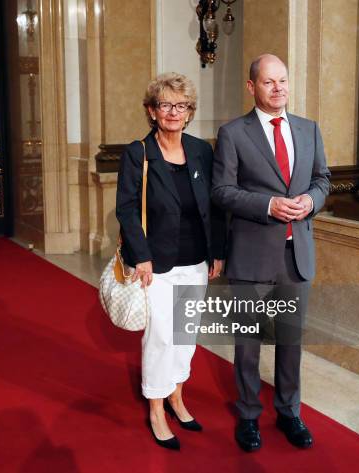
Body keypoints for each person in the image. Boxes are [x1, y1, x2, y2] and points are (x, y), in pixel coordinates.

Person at [212, 54, 331, 452]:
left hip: (297, 255)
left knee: (291, 340)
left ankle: (288, 410)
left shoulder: (308, 129)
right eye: (268, 82)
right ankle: (248, 414)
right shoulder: (233, 134)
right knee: (248, 343)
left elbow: (322, 179)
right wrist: (268, 206)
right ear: (252, 87)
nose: (278, 88)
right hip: (252, 255)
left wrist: (311, 202)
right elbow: (222, 192)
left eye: (282, 80)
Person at [116, 72, 226, 450]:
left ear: (190, 111)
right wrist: (141, 256)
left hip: (196, 259)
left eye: (181, 105)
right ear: (152, 110)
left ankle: (178, 396)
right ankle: (157, 408)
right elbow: (127, 210)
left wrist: (217, 252)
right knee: (161, 336)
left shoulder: (201, 151)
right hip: (157, 264)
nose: (173, 112)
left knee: (185, 336)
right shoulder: (138, 152)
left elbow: (212, 207)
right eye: (165, 105)